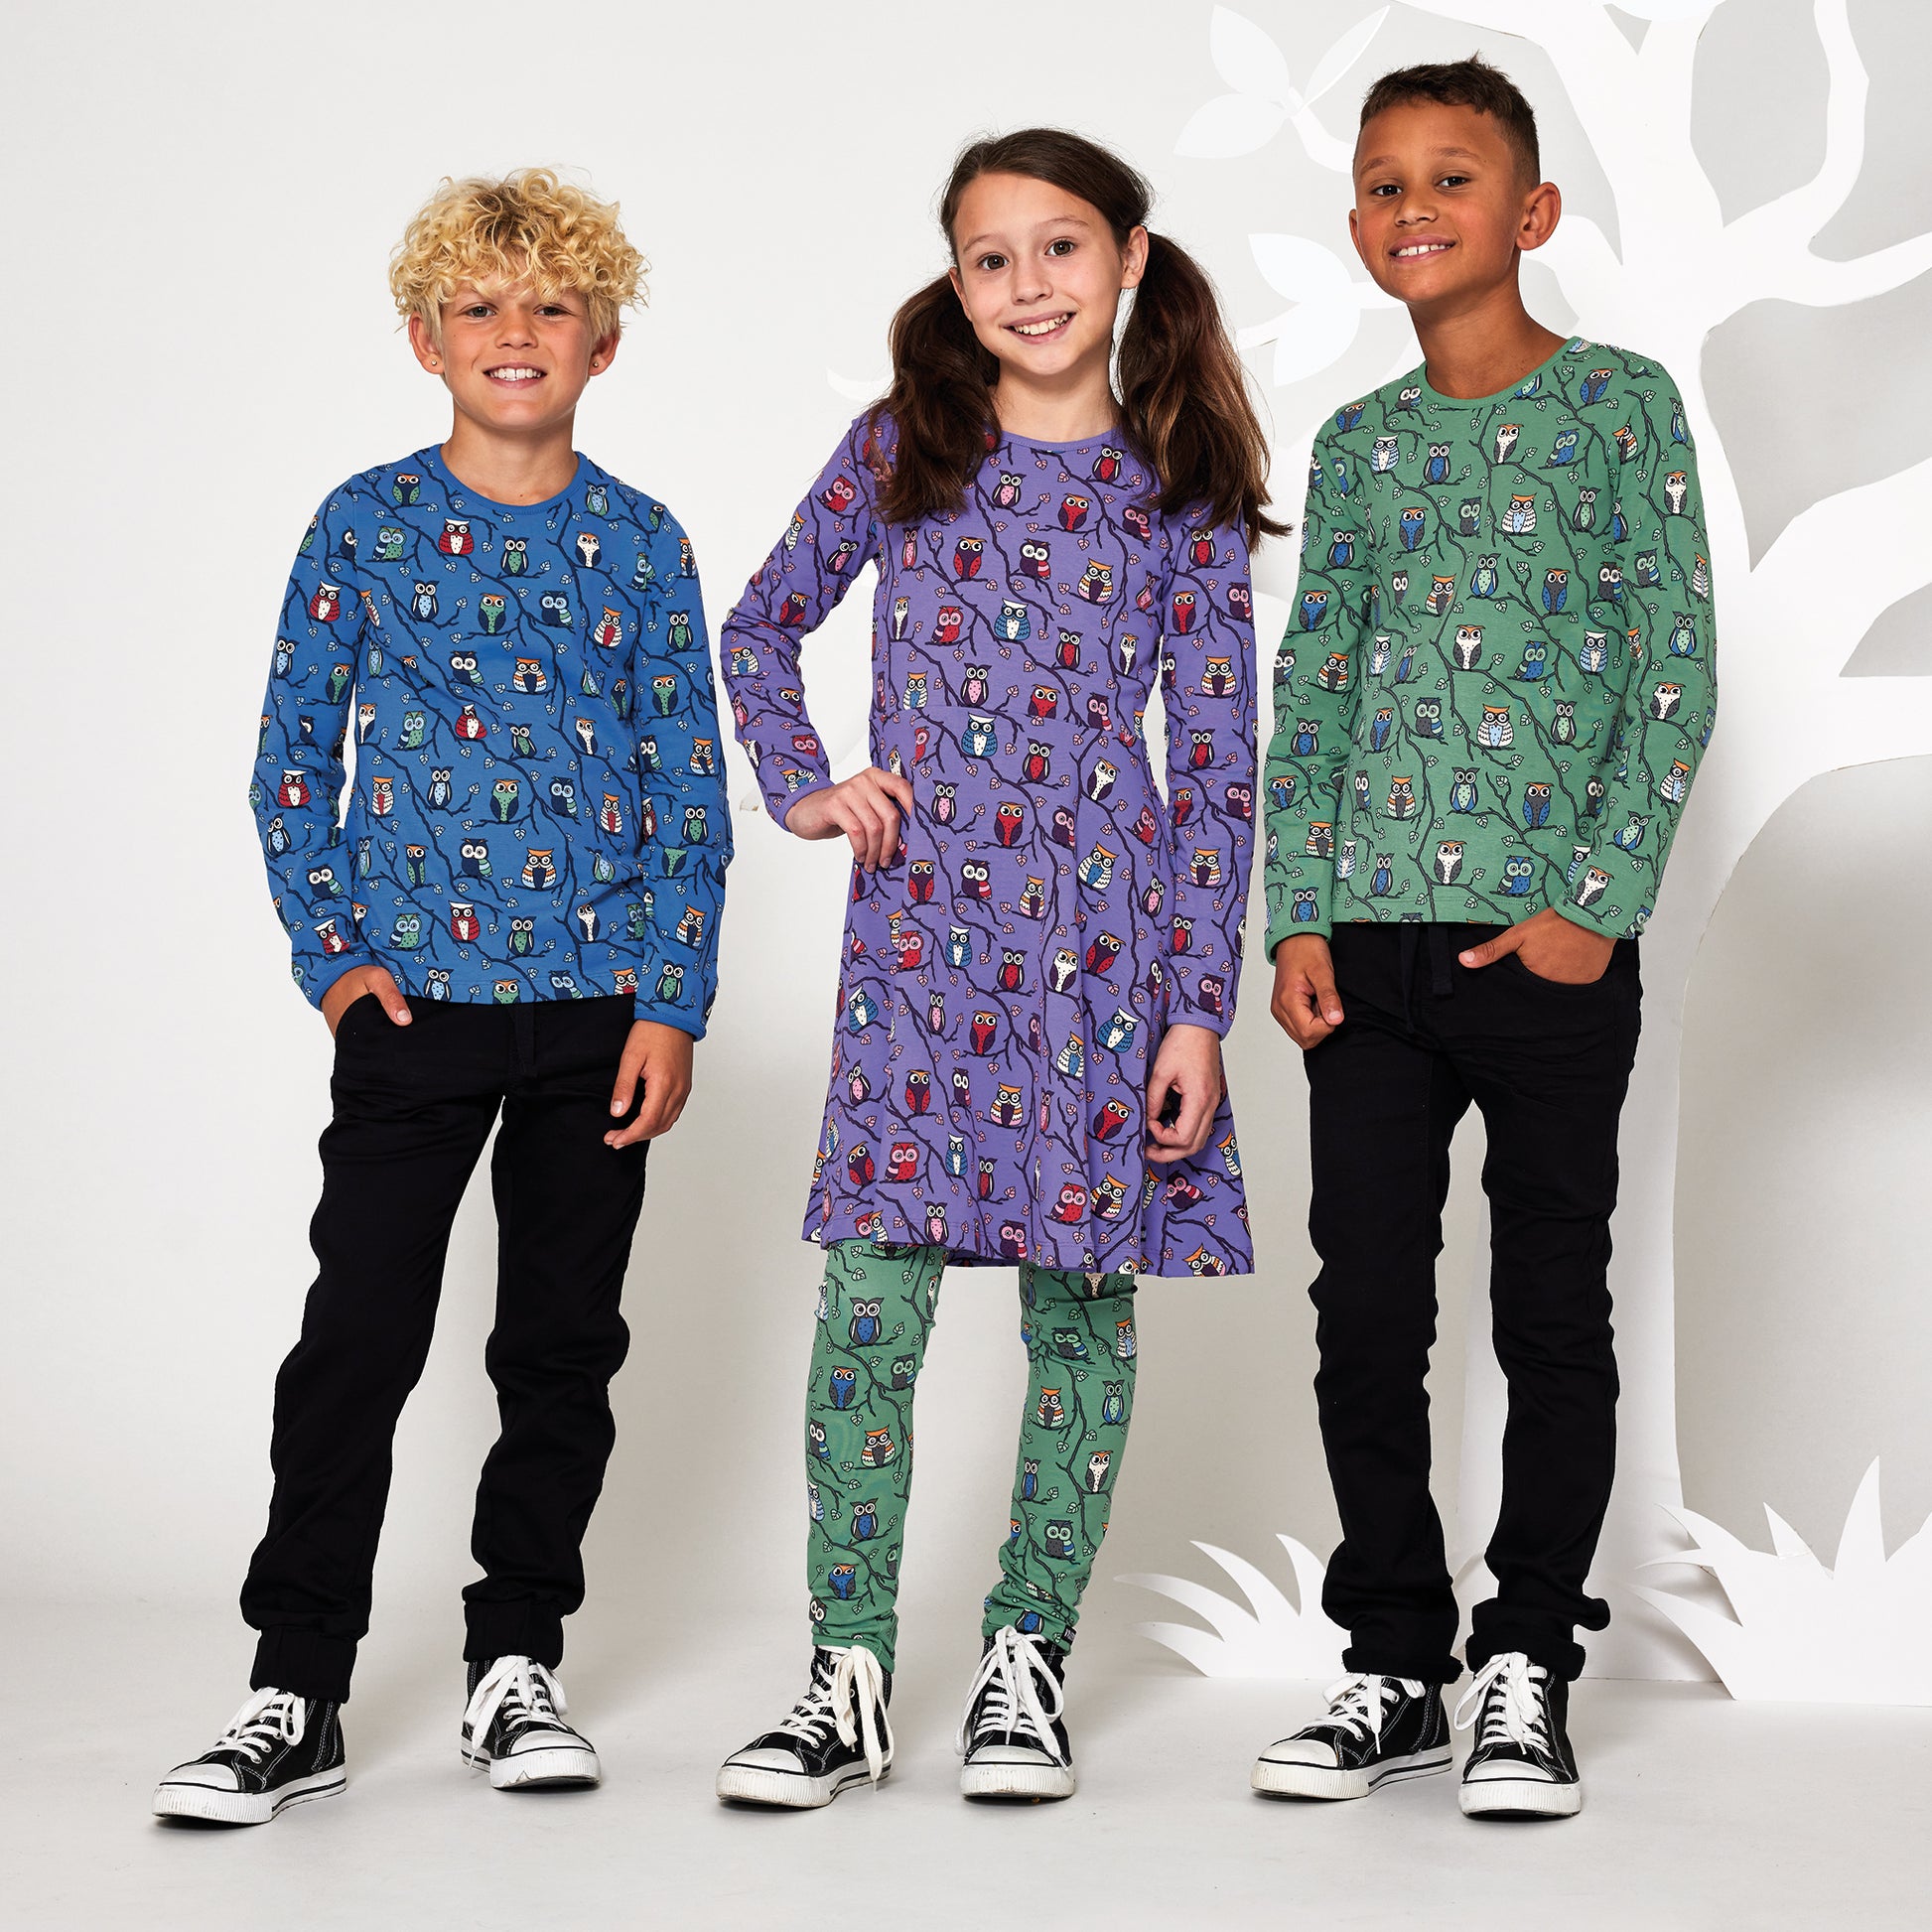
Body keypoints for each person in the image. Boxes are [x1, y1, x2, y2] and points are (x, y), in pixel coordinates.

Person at [152, 169, 731, 1825]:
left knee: (560, 1347)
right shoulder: (363, 523)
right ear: (425, 338)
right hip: (412, 1013)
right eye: (479, 306)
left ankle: (515, 1660)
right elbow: (290, 758)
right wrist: (335, 960)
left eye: (550, 305)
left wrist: (672, 999)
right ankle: (296, 1686)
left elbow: (689, 784)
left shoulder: (641, 540)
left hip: (598, 1011)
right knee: (357, 1339)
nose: (514, 332)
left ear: (603, 341)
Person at [713, 129, 1275, 1808]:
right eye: (988, 256)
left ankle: (1026, 1657)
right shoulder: (905, 445)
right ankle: (847, 1672)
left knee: (1081, 1314)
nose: (1027, 284)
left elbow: (1219, 763)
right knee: (868, 1312)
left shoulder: (1179, 483)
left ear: (1127, 256)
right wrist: (802, 780)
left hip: (1104, 967)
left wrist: (1196, 1008)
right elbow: (760, 621)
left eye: (1059, 247)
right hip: (919, 958)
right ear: (955, 280)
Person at [1254, 58, 1717, 1820]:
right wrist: (1296, 911)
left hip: (1544, 953)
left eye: (1449, 177)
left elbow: (1671, 663)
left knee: (1547, 1310)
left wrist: (1593, 908)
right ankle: (1394, 1663)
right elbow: (1315, 687)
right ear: (1354, 220)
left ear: (1529, 213)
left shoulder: (1617, 407)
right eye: (1382, 182)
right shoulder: (1356, 445)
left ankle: (1527, 1659)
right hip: (1366, 953)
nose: (1412, 207)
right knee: (1365, 1312)